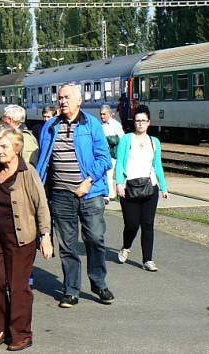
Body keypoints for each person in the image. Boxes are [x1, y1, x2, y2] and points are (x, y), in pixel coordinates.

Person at [36, 84, 114, 308]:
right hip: (61, 196)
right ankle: (71, 290)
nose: (62, 101)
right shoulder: (50, 127)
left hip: (90, 193)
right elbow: (44, 161)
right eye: (59, 98)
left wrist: (88, 180)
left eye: (67, 97)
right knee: (67, 245)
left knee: (96, 239)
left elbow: (104, 159)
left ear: (79, 100)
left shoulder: (92, 125)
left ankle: (98, 283)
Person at [0, 127, 53, 351]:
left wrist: (45, 236)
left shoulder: (27, 173)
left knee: (18, 287)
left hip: (20, 238)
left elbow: (41, 206)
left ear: (17, 148)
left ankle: (21, 333)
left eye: (4, 147)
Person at [115, 104, 169, 272]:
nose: (140, 124)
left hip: (149, 187)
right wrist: (119, 183)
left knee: (147, 224)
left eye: (143, 121)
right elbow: (120, 162)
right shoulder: (126, 139)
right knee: (131, 224)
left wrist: (163, 187)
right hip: (129, 187)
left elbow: (157, 165)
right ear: (134, 122)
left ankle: (148, 260)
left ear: (148, 122)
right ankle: (126, 246)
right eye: (137, 120)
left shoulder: (154, 142)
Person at [100, 104, 125, 201]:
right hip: (105, 153)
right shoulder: (101, 125)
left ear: (109, 114)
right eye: (101, 114)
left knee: (110, 173)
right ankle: (110, 194)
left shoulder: (115, 124)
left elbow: (122, 138)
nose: (102, 116)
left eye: (104, 114)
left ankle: (110, 194)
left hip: (114, 153)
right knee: (107, 173)